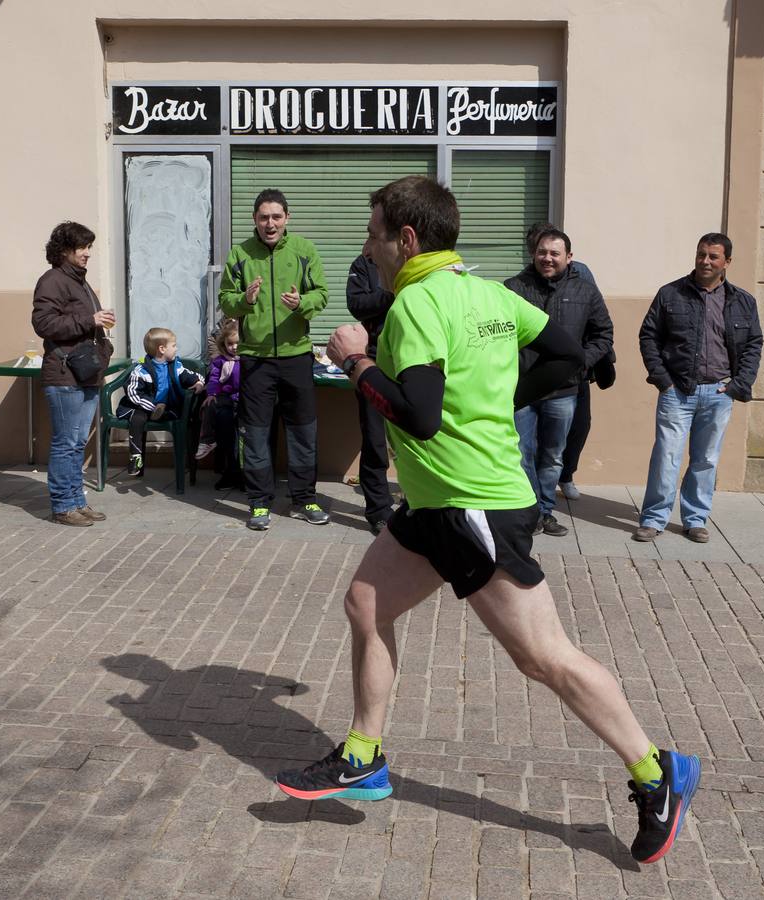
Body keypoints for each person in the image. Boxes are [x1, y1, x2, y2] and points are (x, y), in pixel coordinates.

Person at [274, 176, 700, 866]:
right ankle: (362, 755)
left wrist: (352, 359)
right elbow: (565, 356)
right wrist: (502, 400)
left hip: (472, 504)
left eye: (373, 229)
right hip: (442, 501)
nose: (367, 243)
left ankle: (657, 772)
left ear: (406, 239)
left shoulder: (415, 305)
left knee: (542, 656)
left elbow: (416, 412)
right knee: (364, 603)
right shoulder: (489, 293)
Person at [634, 233, 763, 543]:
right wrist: (663, 381)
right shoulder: (670, 294)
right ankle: (654, 518)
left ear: (726, 262)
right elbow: (648, 337)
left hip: (719, 393)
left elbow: (753, 344)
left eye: (713, 257)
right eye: (701, 254)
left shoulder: (743, 301)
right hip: (678, 391)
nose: (705, 261)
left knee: (706, 460)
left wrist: (738, 385)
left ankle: (694, 519)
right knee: (667, 456)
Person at [219, 188, 330, 531]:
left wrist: (302, 304)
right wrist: (245, 300)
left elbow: (322, 294)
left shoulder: (304, 250)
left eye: (276, 217)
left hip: (297, 355)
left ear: (287, 219)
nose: (270, 223)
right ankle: (258, 504)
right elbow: (226, 299)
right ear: (255, 219)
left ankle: (304, 499)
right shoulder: (240, 254)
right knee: (255, 434)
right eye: (264, 217)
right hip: (256, 359)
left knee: (302, 431)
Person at [505, 229, 614, 536]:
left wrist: (580, 361)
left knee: (553, 455)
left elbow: (603, 334)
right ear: (533, 254)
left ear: (569, 257)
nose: (547, 258)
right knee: (520, 452)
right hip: (522, 389)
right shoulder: (513, 288)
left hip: (563, 390)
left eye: (555, 253)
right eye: (542, 252)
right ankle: (527, 511)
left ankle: (544, 510)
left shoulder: (585, 291)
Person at [32, 221, 115, 527]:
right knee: (66, 442)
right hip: (65, 372)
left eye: (89, 247)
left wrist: (99, 323)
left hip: (86, 372)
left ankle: (77, 500)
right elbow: (44, 324)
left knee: (78, 442)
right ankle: (63, 506)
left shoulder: (79, 282)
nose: (87, 253)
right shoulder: (52, 280)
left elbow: (81, 321)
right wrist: (88, 319)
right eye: (82, 247)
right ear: (65, 250)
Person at [346, 253, 396, 534]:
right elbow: (357, 305)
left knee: (415, 437)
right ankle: (378, 510)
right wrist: (390, 294)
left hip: (413, 358)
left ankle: (418, 503)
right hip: (374, 360)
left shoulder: (417, 258)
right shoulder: (364, 263)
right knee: (375, 439)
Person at [115, 327, 205, 476]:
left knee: (178, 416)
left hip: (169, 408)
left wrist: (199, 383)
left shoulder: (176, 366)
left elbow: (193, 376)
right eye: (174, 345)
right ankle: (136, 457)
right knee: (137, 418)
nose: (176, 349)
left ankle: (161, 412)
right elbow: (133, 393)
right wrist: (152, 406)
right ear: (162, 349)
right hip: (143, 407)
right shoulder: (141, 370)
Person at [195, 318, 243, 491]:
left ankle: (243, 474)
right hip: (226, 399)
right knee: (222, 422)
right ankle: (229, 470)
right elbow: (214, 378)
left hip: (245, 400)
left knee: (245, 435)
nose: (234, 347)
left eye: (238, 343)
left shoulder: (247, 359)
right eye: (230, 344)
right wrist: (211, 393)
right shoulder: (221, 360)